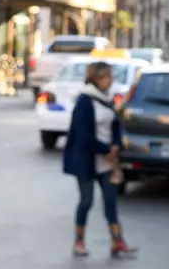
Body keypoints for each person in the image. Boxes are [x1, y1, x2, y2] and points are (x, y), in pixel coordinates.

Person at [62, 61, 136, 258]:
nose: (110, 81)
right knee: (86, 201)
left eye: (111, 77)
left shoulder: (107, 99)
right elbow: (83, 136)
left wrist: (116, 145)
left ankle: (117, 241)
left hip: (107, 161)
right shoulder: (85, 101)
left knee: (111, 201)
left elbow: (116, 126)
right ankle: (79, 241)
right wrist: (105, 149)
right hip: (87, 160)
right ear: (97, 78)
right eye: (107, 77)